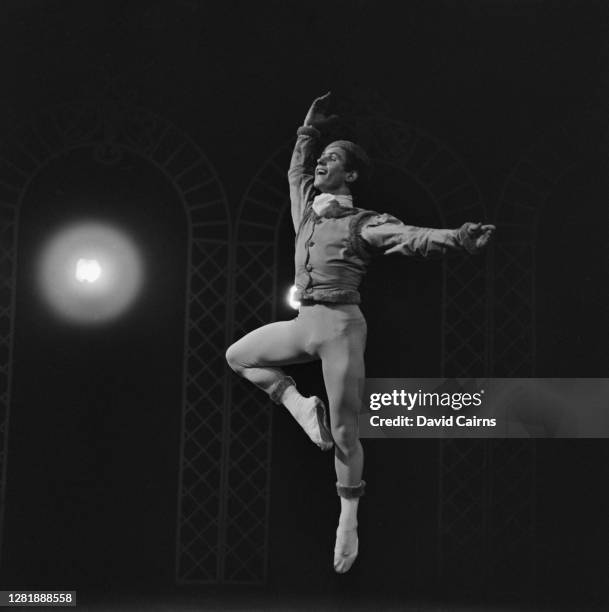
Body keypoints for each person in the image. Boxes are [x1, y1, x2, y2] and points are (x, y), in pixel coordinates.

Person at [226, 92, 495, 573]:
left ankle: (347, 521)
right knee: (238, 355)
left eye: (332, 160)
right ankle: (301, 406)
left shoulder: (363, 224)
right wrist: (308, 132)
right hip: (304, 321)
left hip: (340, 329)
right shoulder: (306, 214)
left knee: (348, 433)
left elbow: (409, 237)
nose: (320, 165)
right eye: (322, 159)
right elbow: (294, 172)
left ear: (349, 175)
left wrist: (456, 237)